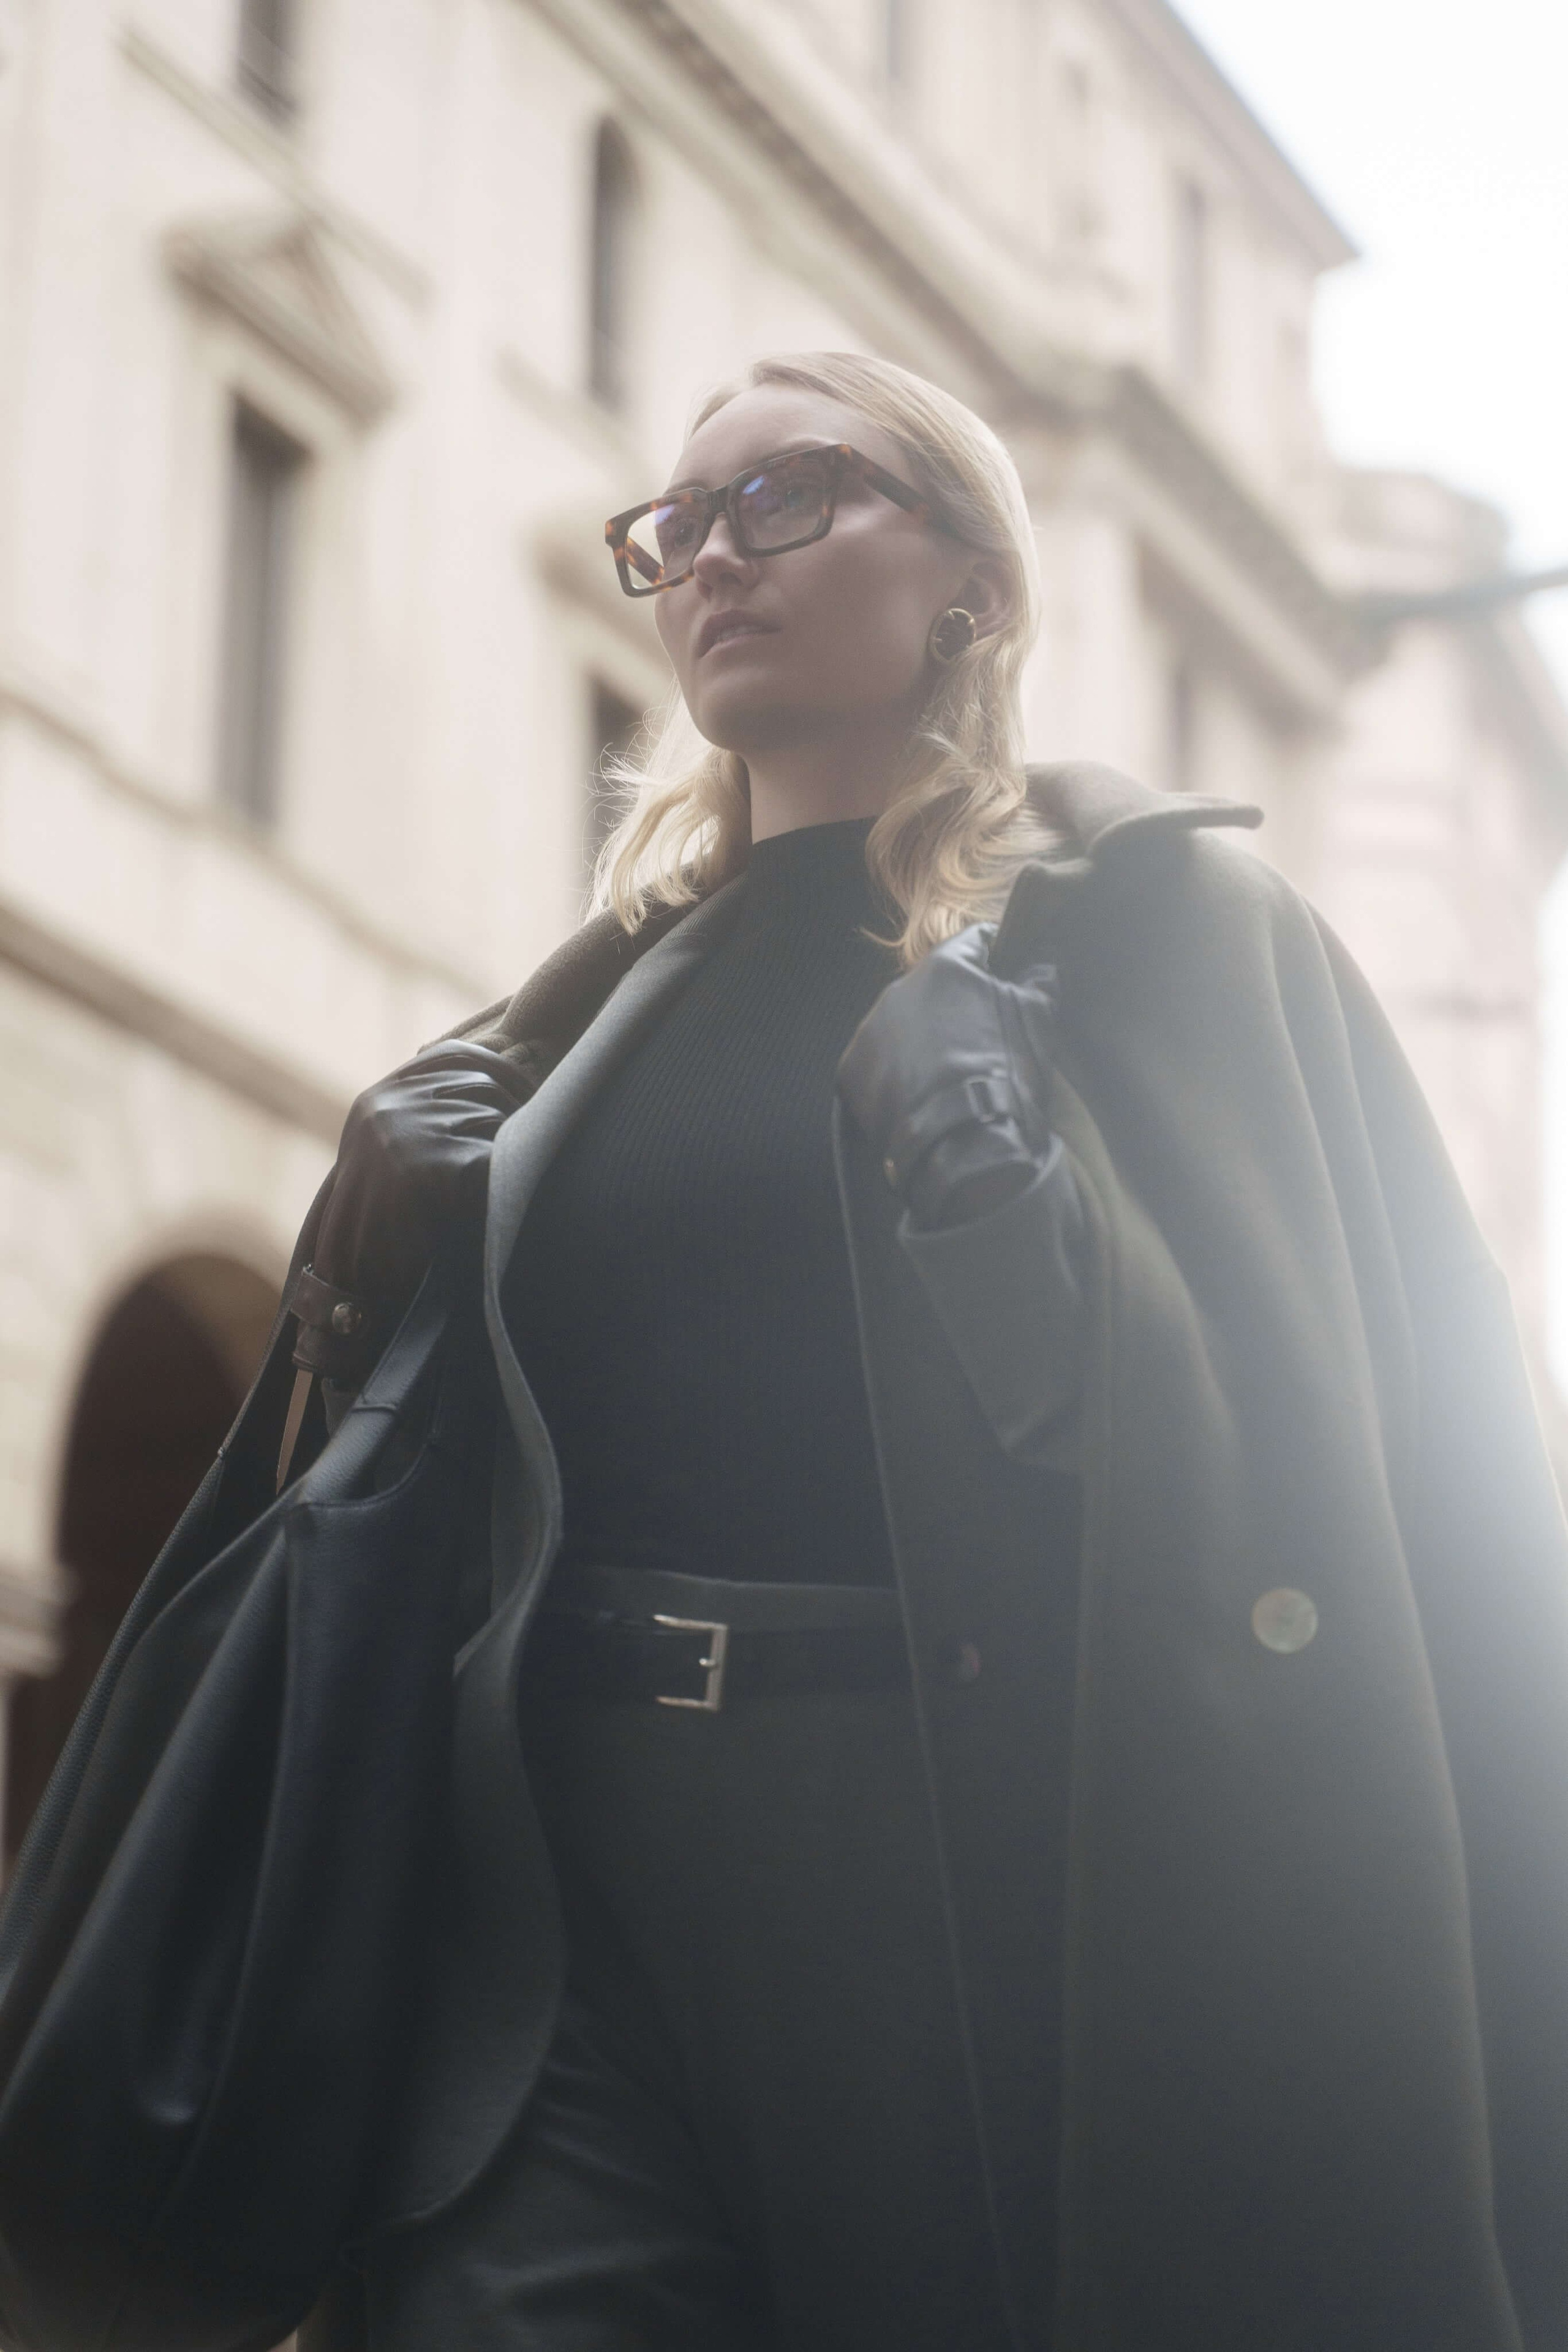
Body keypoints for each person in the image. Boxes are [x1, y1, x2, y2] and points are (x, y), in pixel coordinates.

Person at [290, 352, 1568, 2352]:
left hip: (947, 1861)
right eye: (681, 524)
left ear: (968, 580)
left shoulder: (1156, 937)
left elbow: (1235, 1458)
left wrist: (987, 1182)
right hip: (567, 1865)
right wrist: (372, 1246)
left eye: (790, 498)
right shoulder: (580, 1017)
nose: (714, 554)